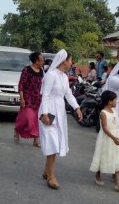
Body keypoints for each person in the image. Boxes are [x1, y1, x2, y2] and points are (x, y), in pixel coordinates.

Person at [38, 50, 83, 190]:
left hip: (60, 111)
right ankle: (51, 176)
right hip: (49, 111)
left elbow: (68, 95)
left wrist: (77, 108)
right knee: (52, 142)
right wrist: (45, 113)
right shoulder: (51, 76)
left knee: (56, 143)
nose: (72, 62)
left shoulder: (64, 77)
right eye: (71, 60)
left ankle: (46, 171)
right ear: (64, 60)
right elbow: (45, 95)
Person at [90, 90, 119, 191]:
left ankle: (118, 183)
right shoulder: (103, 113)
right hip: (106, 138)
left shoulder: (114, 111)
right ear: (109, 102)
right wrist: (113, 137)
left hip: (115, 136)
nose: (116, 102)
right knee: (102, 156)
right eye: (115, 100)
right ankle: (98, 175)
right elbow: (105, 128)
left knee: (117, 157)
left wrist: (116, 136)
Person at [14, 52, 44, 147]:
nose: (43, 61)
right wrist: (22, 98)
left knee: (36, 119)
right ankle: (17, 130)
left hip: (38, 99)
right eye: (42, 60)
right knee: (26, 118)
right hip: (27, 98)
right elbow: (21, 84)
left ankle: (36, 140)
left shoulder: (42, 71)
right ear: (36, 61)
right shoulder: (26, 70)